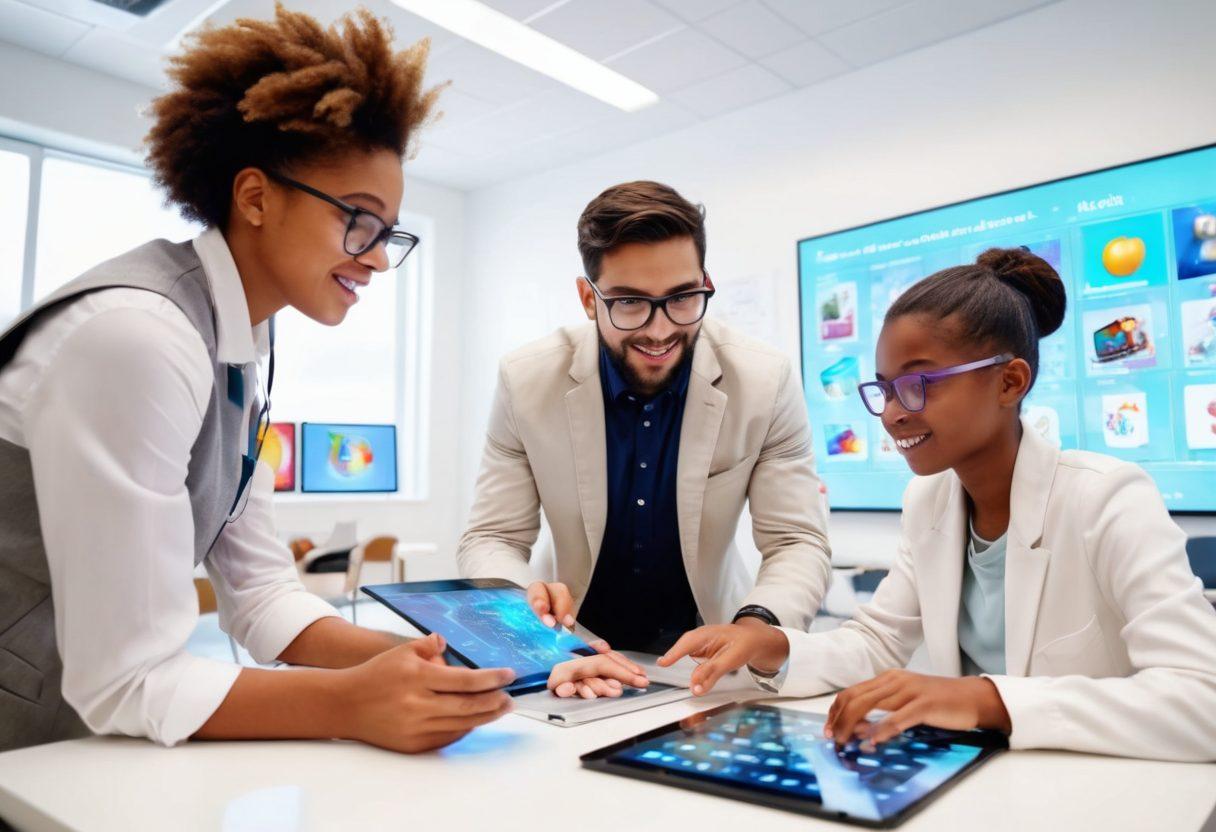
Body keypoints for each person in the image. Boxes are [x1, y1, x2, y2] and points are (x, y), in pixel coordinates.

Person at [0, 5, 513, 754]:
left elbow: (262, 593)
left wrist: (455, 667)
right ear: (255, 197)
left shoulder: (240, 341)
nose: (375, 258)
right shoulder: (137, 336)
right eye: (359, 221)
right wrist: (350, 705)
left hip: (64, 747)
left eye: (388, 233)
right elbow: (128, 678)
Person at [659, 246, 1216, 762]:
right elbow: (876, 642)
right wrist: (774, 643)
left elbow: (1202, 700)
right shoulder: (930, 499)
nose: (893, 413)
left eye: (919, 383)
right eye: (884, 388)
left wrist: (987, 700)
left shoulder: (1107, 498)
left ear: (1009, 382)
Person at [458, 181, 832, 699]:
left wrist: (757, 623)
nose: (659, 331)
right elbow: (492, 537)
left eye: (681, 298)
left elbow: (796, 540)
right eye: (630, 302)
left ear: (705, 282)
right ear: (589, 298)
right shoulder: (526, 382)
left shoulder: (764, 381)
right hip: (570, 651)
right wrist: (522, 607)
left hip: (708, 651)